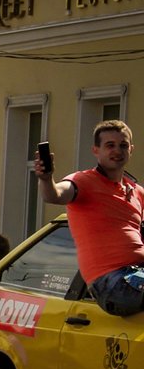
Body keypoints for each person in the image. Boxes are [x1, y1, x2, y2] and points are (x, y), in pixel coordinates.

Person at [35, 119, 144, 316]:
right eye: (109, 145)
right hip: (111, 282)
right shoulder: (82, 181)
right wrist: (45, 178)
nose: (117, 151)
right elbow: (54, 195)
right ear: (96, 150)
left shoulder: (137, 192)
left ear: (131, 149)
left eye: (123, 145)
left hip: (138, 274)